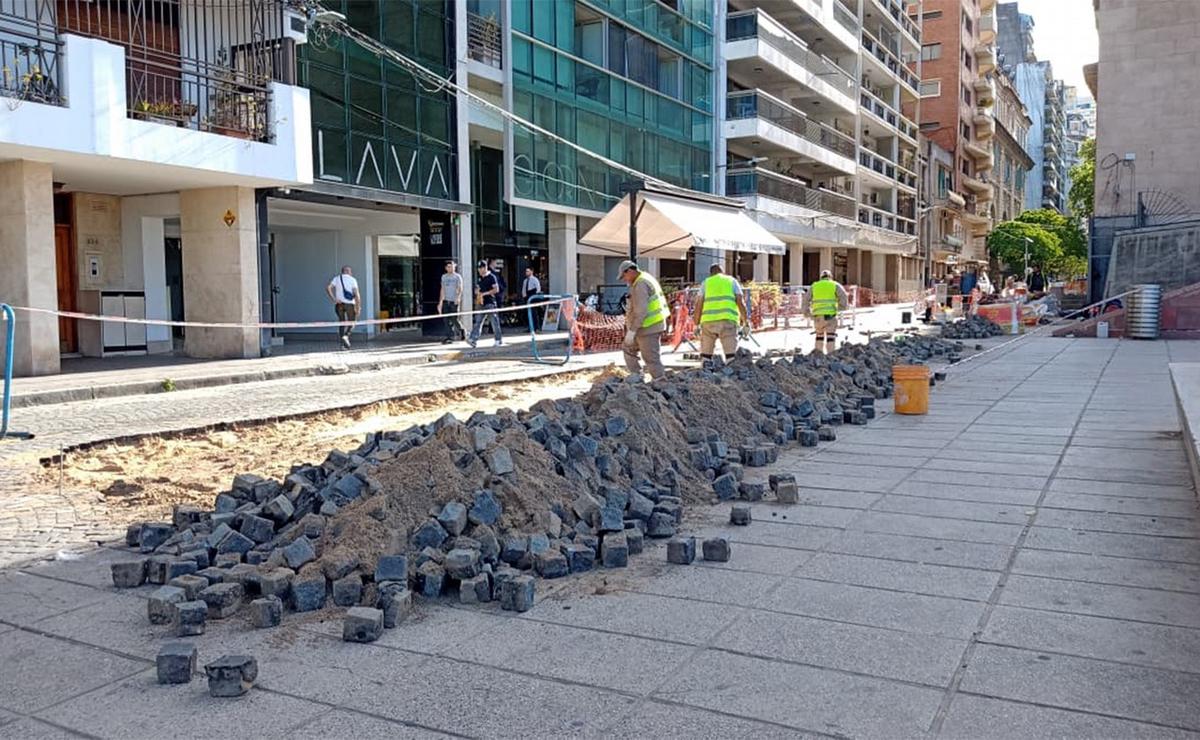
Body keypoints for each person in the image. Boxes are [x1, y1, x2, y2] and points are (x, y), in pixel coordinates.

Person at [618, 259, 669, 380]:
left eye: (624, 276)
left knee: (650, 357)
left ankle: (660, 382)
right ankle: (637, 377)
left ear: (630, 271)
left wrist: (632, 331)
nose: (624, 279)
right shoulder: (644, 279)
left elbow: (641, 311)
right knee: (628, 348)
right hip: (646, 326)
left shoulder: (641, 284)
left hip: (648, 327)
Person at [692, 263, 747, 366]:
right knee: (731, 356)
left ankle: (706, 375)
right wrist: (745, 322)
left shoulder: (706, 283)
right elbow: (740, 302)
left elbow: (698, 304)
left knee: (706, 355)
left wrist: (696, 324)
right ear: (722, 271)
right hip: (728, 322)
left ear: (711, 273)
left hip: (708, 322)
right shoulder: (731, 281)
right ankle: (731, 377)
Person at [801, 269, 849, 355]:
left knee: (819, 336)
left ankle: (818, 356)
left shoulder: (814, 286)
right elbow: (844, 297)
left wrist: (807, 313)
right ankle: (830, 356)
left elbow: (805, 300)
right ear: (830, 277)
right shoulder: (834, 285)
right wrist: (841, 308)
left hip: (818, 317)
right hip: (830, 316)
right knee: (830, 336)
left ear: (821, 277)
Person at [467, 260, 502, 348]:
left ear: (486, 268)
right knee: (478, 321)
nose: (480, 270)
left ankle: (498, 339)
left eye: (482, 268)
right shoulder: (480, 278)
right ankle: (473, 339)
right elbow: (477, 288)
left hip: (490, 302)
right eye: (479, 268)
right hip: (481, 302)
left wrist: (485, 293)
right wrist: (477, 292)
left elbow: (496, 289)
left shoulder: (492, 277)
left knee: (494, 322)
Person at [325, 265, 360, 349]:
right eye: (350, 271)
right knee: (353, 321)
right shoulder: (352, 280)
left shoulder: (337, 278)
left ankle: (342, 345)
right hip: (349, 304)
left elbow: (328, 287)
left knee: (342, 323)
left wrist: (334, 299)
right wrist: (358, 307)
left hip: (339, 304)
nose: (351, 273)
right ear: (347, 271)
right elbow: (357, 295)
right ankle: (346, 336)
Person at [437, 260, 464, 344]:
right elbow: (442, 289)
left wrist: (458, 298)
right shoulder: (444, 277)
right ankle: (449, 337)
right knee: (445, 319)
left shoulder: (457, 277)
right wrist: (440, 302)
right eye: (449, 267)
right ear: (446, 268)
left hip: (454, 301)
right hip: (446, 300)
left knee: (454, 319)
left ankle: (462, 330)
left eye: (452, 266)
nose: (451, 268)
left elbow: (460, 288)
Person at [520, 267, 543, 332]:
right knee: (528, 313)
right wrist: (524, 296)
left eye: (528, 271)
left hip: (533, 295)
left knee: (534, 313)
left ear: (531, 272)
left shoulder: (534, 279)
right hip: (527, 296)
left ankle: (536, 327)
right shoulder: (525, 280)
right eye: (526, 271)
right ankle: (530, 327)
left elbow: (538, 288)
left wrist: (536, 296)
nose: (526, 272)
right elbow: (524, 289)